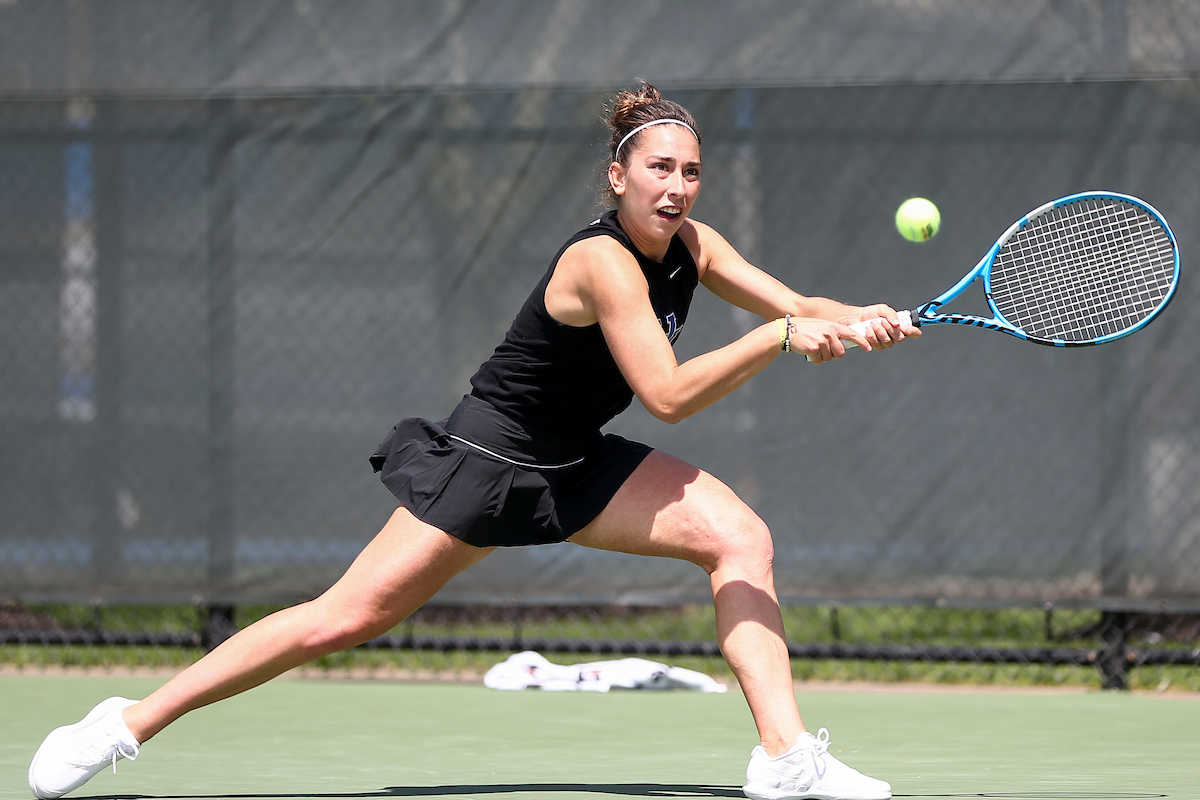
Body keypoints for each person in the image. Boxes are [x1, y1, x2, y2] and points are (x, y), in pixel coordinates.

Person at [28, 82, 918, 800]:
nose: (676, 187)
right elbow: (670, 396)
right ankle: (125, 722)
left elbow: (795, 305)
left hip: (575, 460)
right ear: (618, 175)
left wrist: (868, 315)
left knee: (739, 537)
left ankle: (785, 758)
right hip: (489, 461)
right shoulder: (601, 262)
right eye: (658, 169)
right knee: (341, 620)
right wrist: (777, 341)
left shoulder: (693, 241)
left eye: (689, 171)